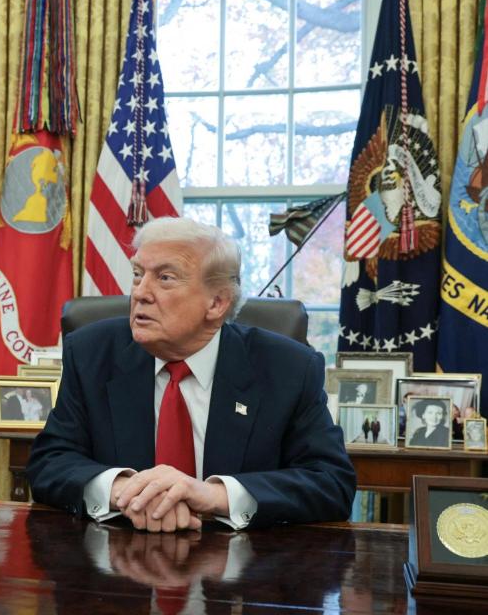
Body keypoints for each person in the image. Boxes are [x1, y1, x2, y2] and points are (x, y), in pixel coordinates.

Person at [26, 217, 356, 532]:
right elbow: (49, 462)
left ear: (217, 303)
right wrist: (124, 491)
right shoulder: (92, 354)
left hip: (243, 563)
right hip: (116, 555)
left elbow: (331, 483)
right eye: (138, 274)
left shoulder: (288, 368)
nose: (140, 293)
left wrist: (212, 495)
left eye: (165, 278)